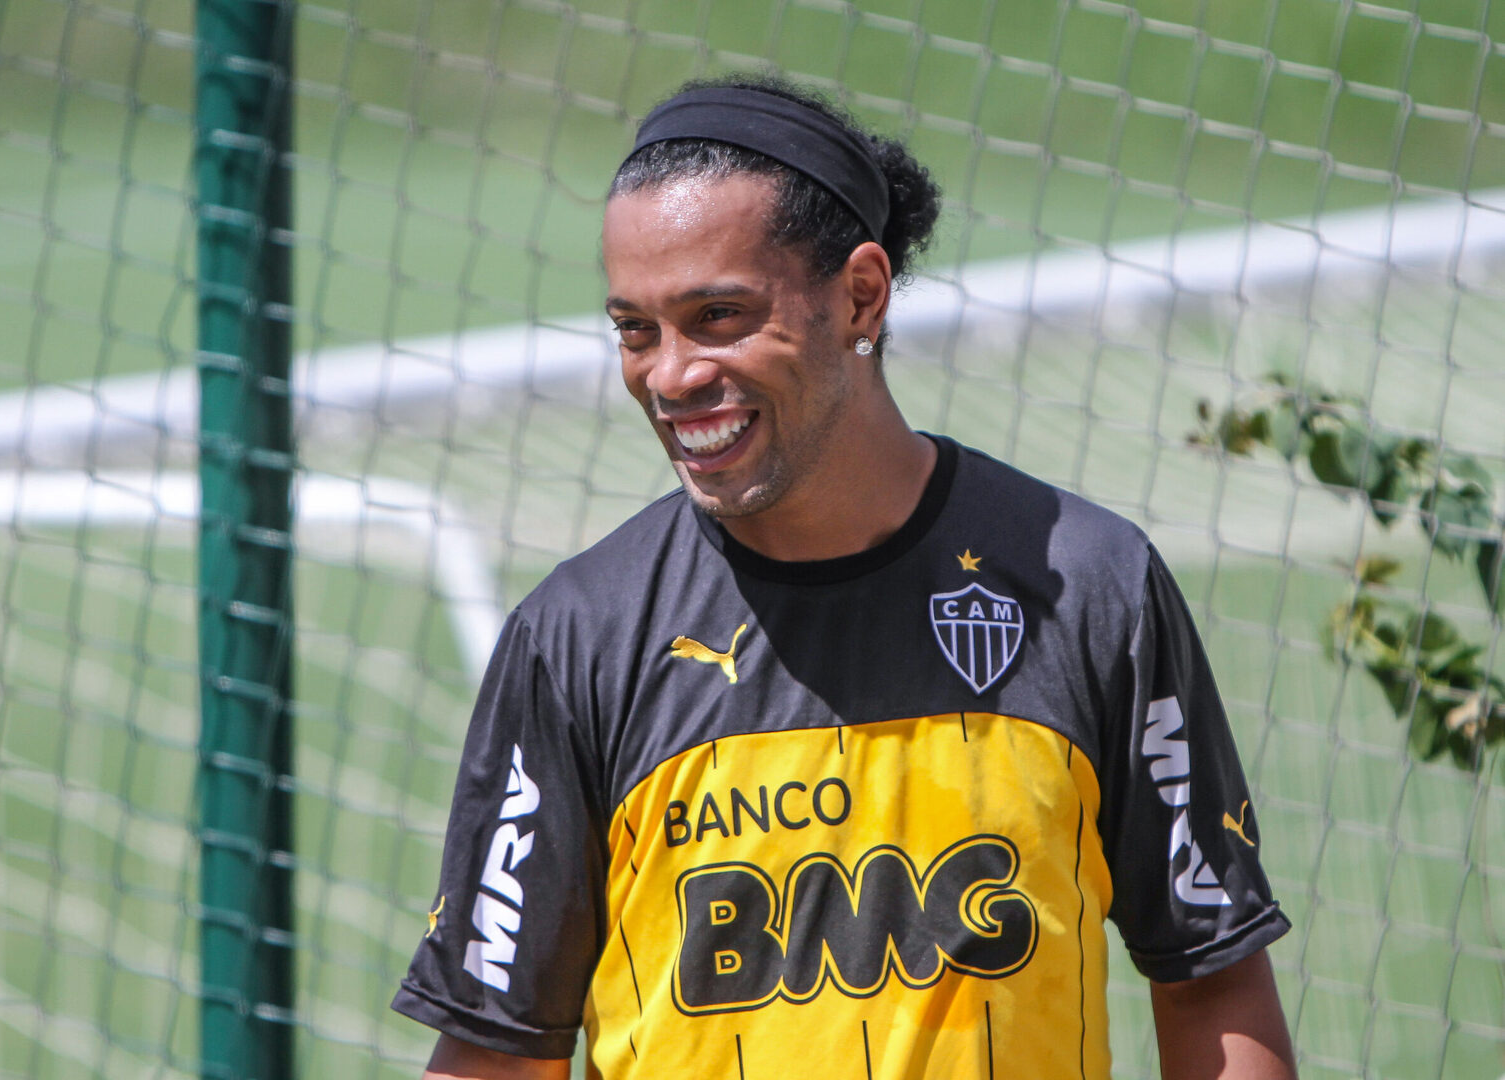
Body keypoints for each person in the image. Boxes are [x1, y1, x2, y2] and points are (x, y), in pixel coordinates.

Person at [392, 73, 1298, 1080]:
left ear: (860, 295)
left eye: (718, 315)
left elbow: (1210, 981)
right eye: (635, 330)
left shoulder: (1090, 587)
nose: (671, 375)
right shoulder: (579, 633)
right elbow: (492, 1051)